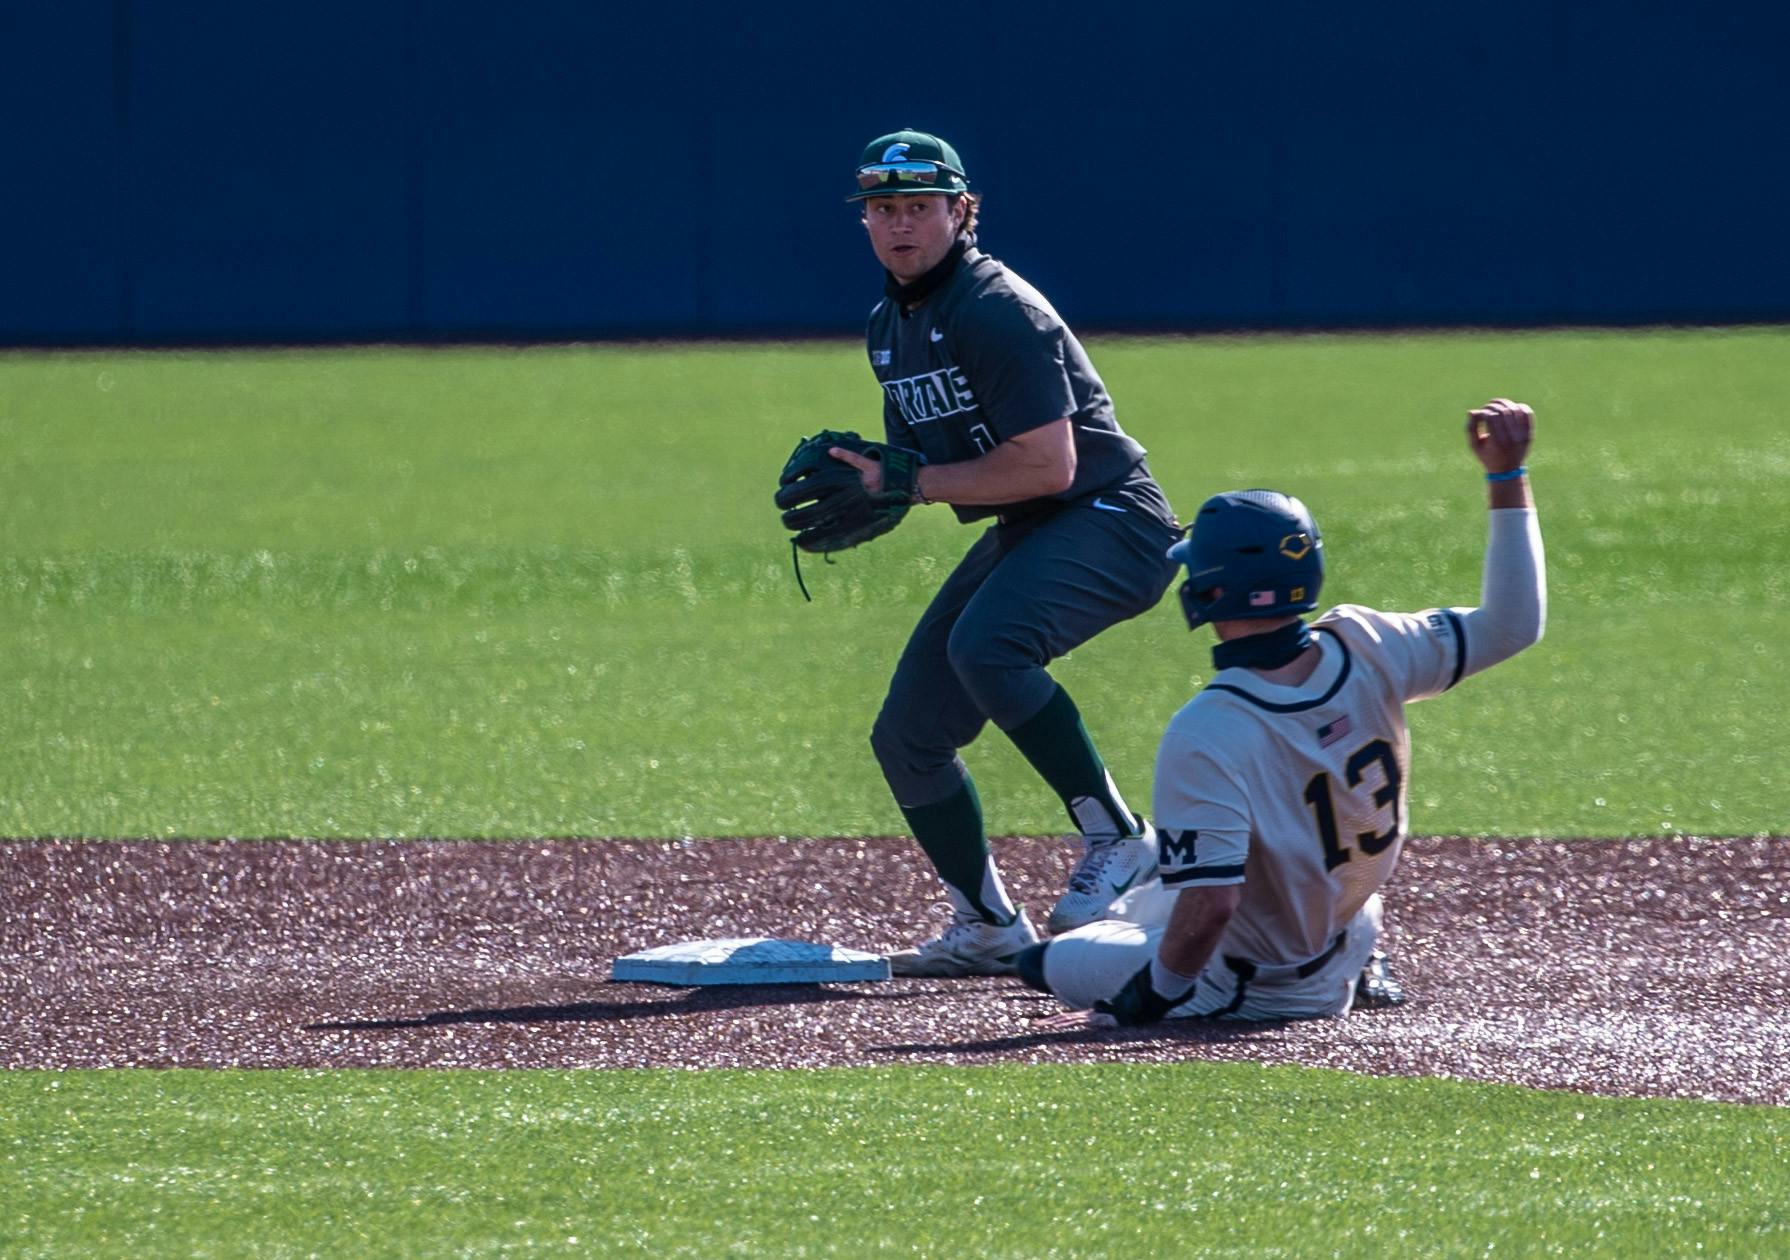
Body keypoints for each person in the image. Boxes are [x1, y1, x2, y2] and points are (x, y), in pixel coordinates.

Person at [1022, 398, 1546, 1027]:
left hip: (1265, 984)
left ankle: (1148, 972)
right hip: (1350, 918)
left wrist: (1157, 997)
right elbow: (1514, 624)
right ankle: (1361, 960)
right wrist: (1506, 476)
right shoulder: (1369, 641)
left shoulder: (1210, 726)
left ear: (1213, 590)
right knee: (1150, 898)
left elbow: (1213, 906)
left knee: (1046, 962)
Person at [832, 129, 1182, 976]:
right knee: (907, 735)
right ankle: (987, 924)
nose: (900, 224)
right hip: (1034, 523)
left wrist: (910, 484)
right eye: (883, 208)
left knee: (988, 645)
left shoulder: (996, 308)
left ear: (961, 211)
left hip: (1112, 515)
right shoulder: (891, 326)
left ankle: (1119, 836)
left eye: (920, 206)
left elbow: (1050, 463)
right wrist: (877, 488)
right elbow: (934, 471)